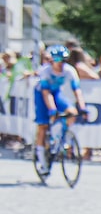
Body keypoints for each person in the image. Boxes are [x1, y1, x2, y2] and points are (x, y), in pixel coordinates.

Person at [32, 45, 87, 175]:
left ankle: (62, 137)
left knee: (72, 112)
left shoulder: (70, 71)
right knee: (43, 126)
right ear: (52, 61)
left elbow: (77, 90)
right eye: (58, 61)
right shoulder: (45, 71)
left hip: (56, 93)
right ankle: (43, 163)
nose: (61, 64)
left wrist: (83, 107)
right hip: (42, 94)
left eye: (63, 61)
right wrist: (52, 109)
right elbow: (46, 93)